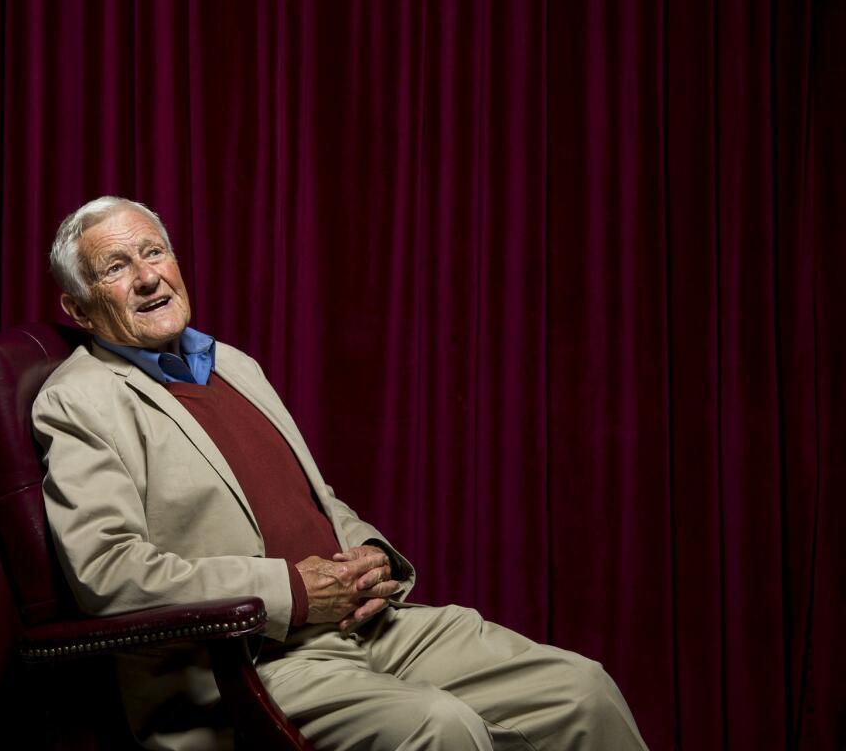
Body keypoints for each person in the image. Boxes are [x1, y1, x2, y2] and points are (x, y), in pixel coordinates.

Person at [32, 196, 648, 750]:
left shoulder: (233, 365)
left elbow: (314, 499)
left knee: (580, 691)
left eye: (154, 252)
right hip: (249, 660)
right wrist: (293, 592)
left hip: (368, 626)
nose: (147, 277)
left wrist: (370, 554)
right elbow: (107, 571)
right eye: (115, 268)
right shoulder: (79, 399)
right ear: (78, 308)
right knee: (440, 727)